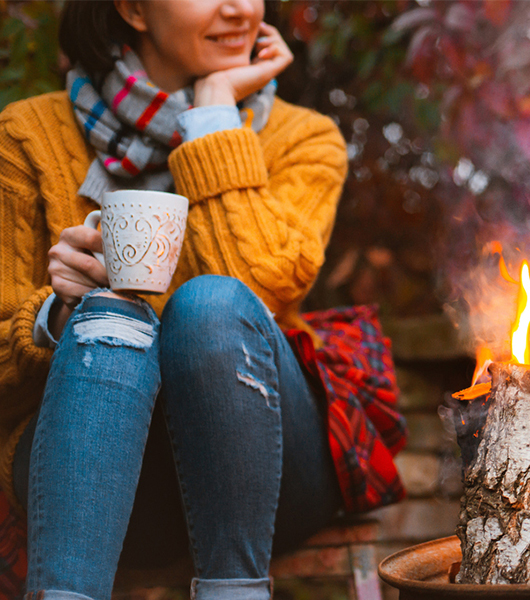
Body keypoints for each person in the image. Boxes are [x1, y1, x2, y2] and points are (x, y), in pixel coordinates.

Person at [0, 1, 404, 599]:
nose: (239, 7)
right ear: (134, 9)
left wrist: (214, 117)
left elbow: (259, 289)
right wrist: (55, 316)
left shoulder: (305, 139)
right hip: (104, 472)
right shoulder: (27, 137)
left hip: (264, 465)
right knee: (105, 323)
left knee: (211, 307)